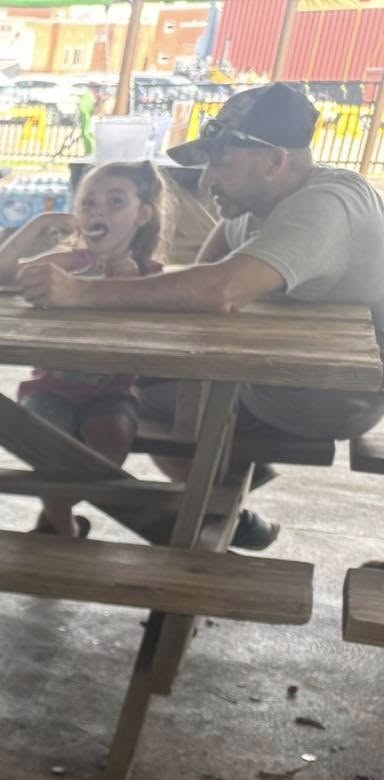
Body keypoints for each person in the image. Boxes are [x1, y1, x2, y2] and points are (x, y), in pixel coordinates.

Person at [19, 85, 384, 552]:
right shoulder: (263, 203)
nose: (208, 182)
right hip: (283, 376)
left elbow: (221, 289)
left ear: (274, 161)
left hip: (325, 396)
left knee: (124, 398)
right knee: (138, 389)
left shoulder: (322, 207)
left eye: (220, 164)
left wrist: (82, 291)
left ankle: (206, 515)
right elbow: (208, 271)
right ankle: (218, 507)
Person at [0, 161, 166, 539]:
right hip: (51, 386)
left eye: (116, 202)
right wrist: (38, 224)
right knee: (44, 445)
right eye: (88, 204)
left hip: (113, 391)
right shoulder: (70, 263)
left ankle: (57, 513)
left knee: (108, 448)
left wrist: (128, 289)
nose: (98, 211)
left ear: (143, 214)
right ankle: (63, 526)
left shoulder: (153, 277)